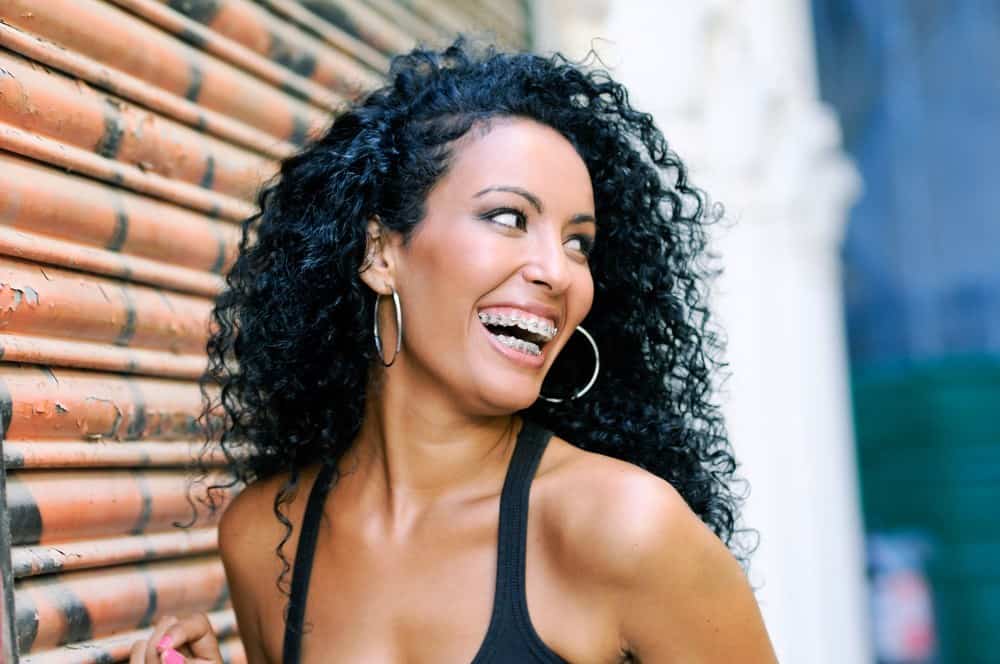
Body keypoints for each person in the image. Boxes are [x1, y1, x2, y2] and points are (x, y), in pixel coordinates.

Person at [130, 37, 778, 664]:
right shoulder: (265, 538)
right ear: (381, 253)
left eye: (579, 242)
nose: (559, 270)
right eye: (508, 218)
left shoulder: (624, 528)